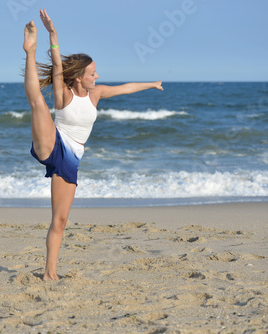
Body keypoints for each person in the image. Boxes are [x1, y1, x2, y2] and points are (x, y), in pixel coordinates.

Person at [23, 9, 163, 281]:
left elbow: (126, 88)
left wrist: (152, 84)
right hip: (54, 141)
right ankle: (29, 50)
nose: (97, 77)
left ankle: (50, 272)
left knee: (60, 221)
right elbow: (56, 65)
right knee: (37, 102)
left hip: (71, 159)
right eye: (93, 74)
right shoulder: (64, 92)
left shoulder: (96, 94)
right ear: (79, 77)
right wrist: (52, 33)